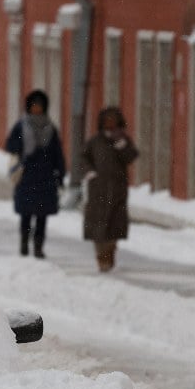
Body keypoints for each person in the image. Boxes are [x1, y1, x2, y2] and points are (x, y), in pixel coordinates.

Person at [5, 89, 66, 259]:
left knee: (42, 215)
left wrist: (60, 175)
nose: (37, 109)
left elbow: (57, 154)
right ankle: (24, 243)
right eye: (34, 106)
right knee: (26, 213)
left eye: (40, 106)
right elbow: (10, 146)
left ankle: (39, 246)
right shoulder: (21, 126)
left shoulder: (51, 128)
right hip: (27, 175)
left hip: (45, 177)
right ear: (29, 107)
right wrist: (19, 147)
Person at [82, 107, 139, 272]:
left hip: (117, 190)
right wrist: (90, 171)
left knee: (114, 225)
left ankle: (110, 252)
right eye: (107, 120)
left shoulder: (122, 140)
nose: (110, 124)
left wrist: (122, 146)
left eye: (113, 120)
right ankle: (101, 257)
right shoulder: (95, 141)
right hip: (98, 190)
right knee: (98, 226)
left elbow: (132, 157)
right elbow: (84, 157)